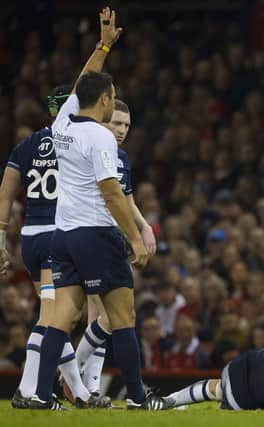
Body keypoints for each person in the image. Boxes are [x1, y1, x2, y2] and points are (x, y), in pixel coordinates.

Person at [28, 7, 164, 410]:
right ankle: (139, 398)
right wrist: (136, 237)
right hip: (97, 235)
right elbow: (112, 194)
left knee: (60, 317)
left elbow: (82, 82)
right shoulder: (101, 139)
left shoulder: (63, 125)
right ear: (105, 101)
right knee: (124, 318)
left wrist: (104, 45)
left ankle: (34, 393)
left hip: (63, 235)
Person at [0, 18, 125, 411]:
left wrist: (1, 237)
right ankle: (33, 390)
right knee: (57, 319)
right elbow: (84, 84)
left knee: (53, 316)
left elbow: (5, 195)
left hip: (30, 239)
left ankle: (72, 392)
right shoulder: (76, 135)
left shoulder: (32, 142)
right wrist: (103, 48)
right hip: (61, 234)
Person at [71, 98, 157, 397]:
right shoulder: (89, 150)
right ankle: (72, 379)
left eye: (126, 125)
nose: (121, 130)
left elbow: (127, 199)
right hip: (91, 235)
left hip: (111, 237)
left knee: (102, 315)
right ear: (102, 121)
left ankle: (85, 383)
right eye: (116, 123)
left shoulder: (120, 157)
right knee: (103, 314)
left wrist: (144, 226)